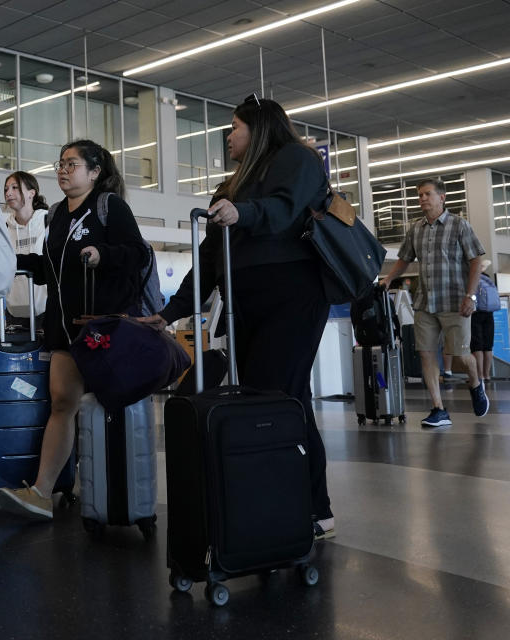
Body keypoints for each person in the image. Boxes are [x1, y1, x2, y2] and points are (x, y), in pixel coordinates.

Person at [137, 95, 336, 540]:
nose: (229, 136)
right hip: (245, 301)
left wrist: (241, 212)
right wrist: (169, 312)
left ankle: (305, 504)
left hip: (294, 296)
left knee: (274, 392)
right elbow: (209, 260)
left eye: (234, 127)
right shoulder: (231, 185)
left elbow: (283, 209)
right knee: (286, 396)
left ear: (259, 128)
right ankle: (305, 503)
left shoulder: (298, 160)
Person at [0, 139, 149, 521]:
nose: (63, 170)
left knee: (112, 406)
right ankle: (42, 492)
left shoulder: (109, 207)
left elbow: (138, 253)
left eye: (72, 164)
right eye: (60, 164)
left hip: (103, 326)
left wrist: (103, 254)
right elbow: (52, 270)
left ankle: (120, 495)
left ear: (95, 172)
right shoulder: (58, 215)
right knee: (62, 403)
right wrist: (12, 261)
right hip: (63, 328)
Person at [379, 178, 488, 427]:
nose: (423, 199)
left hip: (455, 302)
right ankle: (438, 409)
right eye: (420, 195)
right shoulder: (415, 229)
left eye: (428, 194)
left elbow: (475, 262)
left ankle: (475, 383)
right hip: (426, 302)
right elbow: (404, 259)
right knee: (426, 354)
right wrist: (388, 279)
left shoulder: (460, 225)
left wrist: (470, 296)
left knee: (461, 357)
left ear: (442, 198)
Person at [3, 171, 48, 328]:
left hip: (46, 311)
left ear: (31, 193)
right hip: (15, 312)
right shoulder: (4, 228)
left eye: (15, 187)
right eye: (6, 189)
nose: (9, 193)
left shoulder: (47, 221)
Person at [471, 263, 497, 384]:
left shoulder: (471, 278)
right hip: (489, 313)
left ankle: (479, 375)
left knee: (477, 345)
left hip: (476, 314)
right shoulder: (487, 278)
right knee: (488, 346)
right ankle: (487, 375)